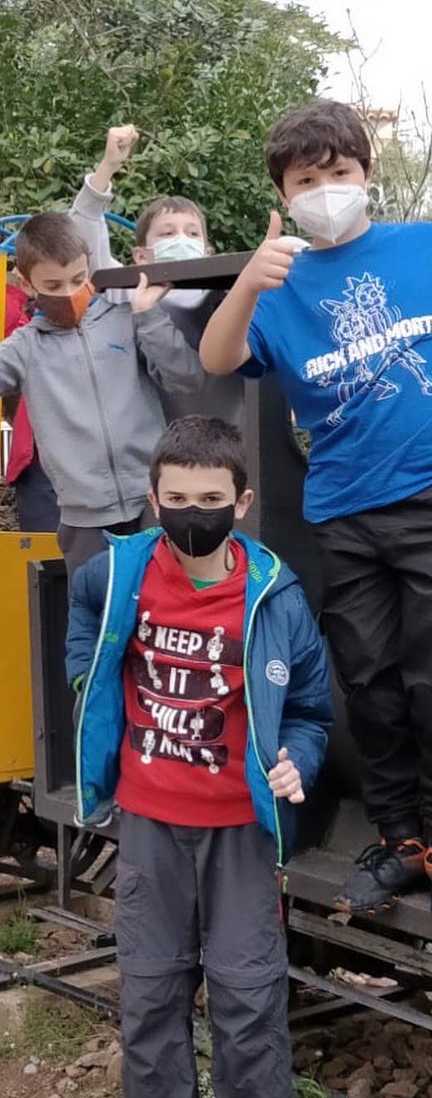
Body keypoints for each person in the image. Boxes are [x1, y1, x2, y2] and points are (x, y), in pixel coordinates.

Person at [200, 97, 432, 912]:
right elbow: (218, 356)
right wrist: (248, 281)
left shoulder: (421, 246)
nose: (327, 188)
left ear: (365, 175)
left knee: (428, 678)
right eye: (308, 178)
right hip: (343, 509)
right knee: (367, 681)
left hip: (426, 494)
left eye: (339, 173)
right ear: (284, 193)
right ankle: (403, 839)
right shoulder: (278, 285)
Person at [68, 416, 331, 1098]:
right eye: (178, 501)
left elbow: (310, 710)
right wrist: (85, 682)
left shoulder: (276, 599)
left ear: (241, 504)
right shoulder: (117, 574)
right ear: (154, 500)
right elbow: (82, 620)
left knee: (249, 1002)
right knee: (151, 995)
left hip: (243, 831)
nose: (193, 517)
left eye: (211, 502)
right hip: (149, 829)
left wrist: (297, 758)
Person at [0, 215, 205, 578]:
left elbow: (186, 378)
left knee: (164, 612)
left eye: (78, 280)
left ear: (90, 269)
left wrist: (148, 316)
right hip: (84, 520)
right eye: (53, 284)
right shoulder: (26, 346)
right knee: (95, 618)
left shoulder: (126, 318)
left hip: (155, 501)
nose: (69, 292)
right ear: (26, 282)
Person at [70, 125, 245, 427]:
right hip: (155, 447)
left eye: (192, 233)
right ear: (141, 256)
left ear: (207, 253)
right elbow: (84, 241)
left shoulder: (224, 296)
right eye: (167, 233)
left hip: (227, 442)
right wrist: (107, 167)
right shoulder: (130, 290)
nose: (181, 239)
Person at [0, 288, 59, 534]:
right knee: (43, 557)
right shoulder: (29, 334)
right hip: (37, 457)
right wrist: (16, 289)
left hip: (72, 457)